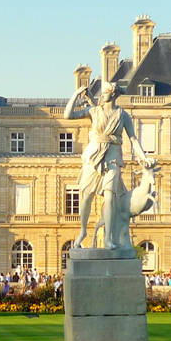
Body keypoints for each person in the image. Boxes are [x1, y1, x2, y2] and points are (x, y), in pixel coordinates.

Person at [64, 81, 153, 249]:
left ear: (112, 94)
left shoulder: (123, 115)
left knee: (110, 197)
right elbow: (68, 115)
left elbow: (133, 139)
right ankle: (83, 231)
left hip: (113, 156)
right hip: (94, 156)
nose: (102, 95)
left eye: (104, 92)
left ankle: (108, 238)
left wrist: (143, 157)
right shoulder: (94, 111)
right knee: (87, 196)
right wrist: (76, 94)